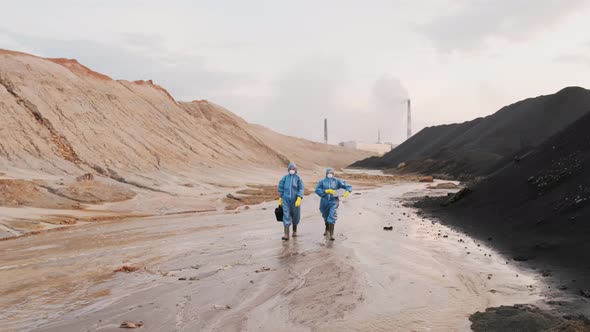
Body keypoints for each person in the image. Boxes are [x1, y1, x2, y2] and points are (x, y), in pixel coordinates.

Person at [315, 168, 352, 241]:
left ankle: (331, 234)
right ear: (326, 173)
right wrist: (326, 191)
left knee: (332, 215)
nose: (330, 174)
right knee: (325, 216)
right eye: (329, 173)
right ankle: (327, 229)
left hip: (334, 201)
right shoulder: (322, 182)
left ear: (333, 174)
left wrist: (348, 191)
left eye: (331, 173)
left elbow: (347, 185)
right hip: (324, 201)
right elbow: (317, 190)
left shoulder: (337, 181)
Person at [278, 162, 304, 241]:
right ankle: (286, 234)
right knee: (286, 215)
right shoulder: (285, 178)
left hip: (295, 200)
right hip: (286, 200)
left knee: (295, 215)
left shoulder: (298, 178)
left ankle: (294, 231)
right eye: (291, 169)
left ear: (296, 170)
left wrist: (299, 197)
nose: (292, 170)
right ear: (288, 169)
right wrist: (281, 198)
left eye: (293, 169)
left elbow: (301, 188)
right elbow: (281, 187)